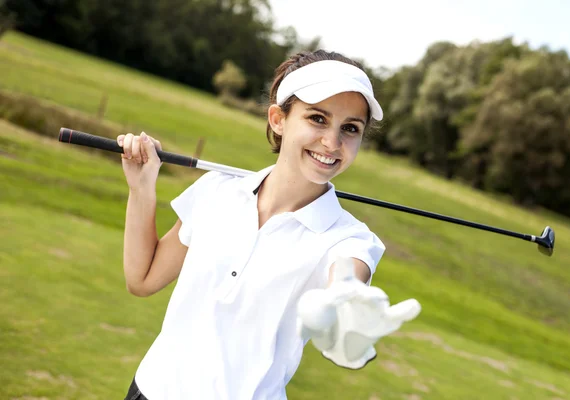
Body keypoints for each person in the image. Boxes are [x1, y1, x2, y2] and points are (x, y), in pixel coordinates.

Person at [118, 49, 420, 400]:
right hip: (150, 389)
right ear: (278, 119)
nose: (332, 142)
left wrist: (345, 301)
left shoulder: (349, 240)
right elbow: (142, 279)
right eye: (318, 119)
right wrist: (141, 187)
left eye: (350, 129)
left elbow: (348, 277)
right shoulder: (218, 190)